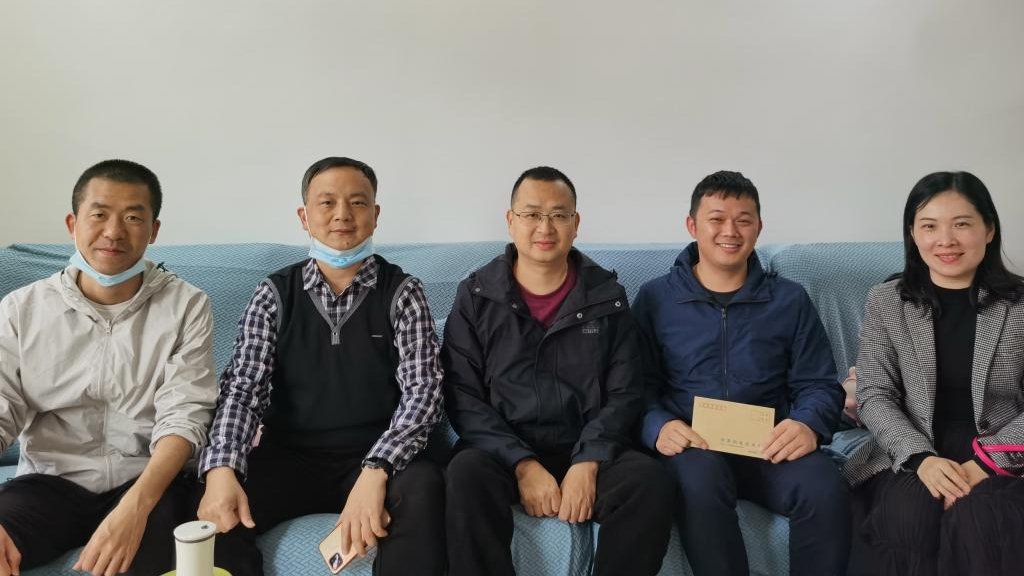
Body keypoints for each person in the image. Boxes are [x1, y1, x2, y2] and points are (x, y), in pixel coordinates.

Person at [197, 156, 445, 576]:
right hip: (291, 456)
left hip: (381, 455)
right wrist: (221, 467)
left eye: (357, 203)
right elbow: (243, 389)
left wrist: (377, 468)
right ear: (304, 216)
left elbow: (424, 393)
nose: (342, 215)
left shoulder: (403, 293)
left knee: (425, 490)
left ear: (375, 214)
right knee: (217, 513)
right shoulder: (273, 295)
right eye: (327, 202)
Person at [443, 166, 674, 576]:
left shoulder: (607, 296)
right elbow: (462, 395)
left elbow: (625, 392)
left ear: (576, 223)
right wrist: (522, 464)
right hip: (502, 449)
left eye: (558, 215)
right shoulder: (476, 296)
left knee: (649, 482)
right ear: (511, 220)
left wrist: (588, 461)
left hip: (586, 444)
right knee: (464, 475)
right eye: (532, 214)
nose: (545, 227)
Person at [0, 159, 217, 576]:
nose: (114, 232)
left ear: (153, 230)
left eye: (133, 217)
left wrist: (134, 509)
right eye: (99, 215)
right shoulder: (21, 309)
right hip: (49, 483)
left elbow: (186, 415)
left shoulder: (187, 305)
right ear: (73, 223)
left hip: (147, 482)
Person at [634, 170, 850, 576]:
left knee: (824, 485)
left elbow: (818, 383)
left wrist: (807, 424)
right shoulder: (656, 298)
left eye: (743, 220)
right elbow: (636, 385)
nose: (730, 232)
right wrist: (658, 425)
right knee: (699, 482)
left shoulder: (789, 299)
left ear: (759, 227)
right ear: (692, 225)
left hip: (769, 443)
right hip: (694, 444)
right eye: (716, 219)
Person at [848, 171, 1024, 576]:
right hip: (915, 446)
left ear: (989, 229)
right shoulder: (886, 301)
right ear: (912, 234)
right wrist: (921, 459)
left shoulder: (1019, 305)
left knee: (980, 521)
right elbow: (874, 394)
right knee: (907, 517)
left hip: (1004, 451)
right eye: (929, 226)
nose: (945, 240)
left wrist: (985, 464)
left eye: (961, 224)